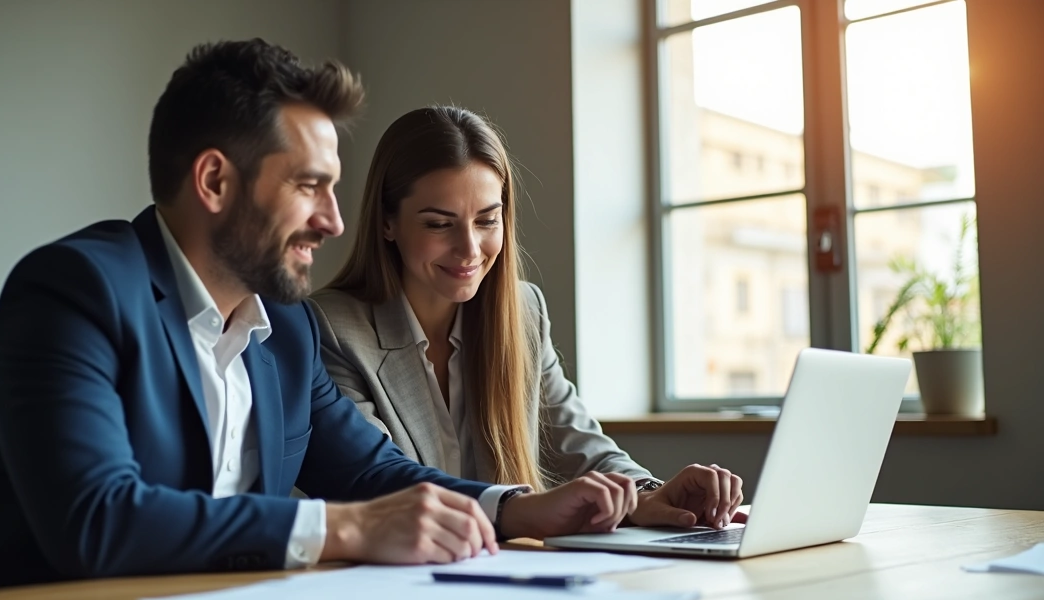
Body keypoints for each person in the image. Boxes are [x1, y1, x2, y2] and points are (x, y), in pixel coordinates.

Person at [0, 42, 648, 597]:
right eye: (310, 187)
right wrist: (346, 530)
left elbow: (372, 473)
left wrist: (519, 506)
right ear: (216, 179)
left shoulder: (282, 330)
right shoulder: (74, 290)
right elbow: (98, 520)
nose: (333, 220)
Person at [310, 106, 747, 533]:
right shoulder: (332, 327)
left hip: (505, 574)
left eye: (487, 220)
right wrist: (520, 510)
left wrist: (648, 491)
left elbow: (578, 442)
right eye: (440, 225)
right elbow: (380, 480)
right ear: (388, 223)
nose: (469, 248)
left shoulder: (524, 312)